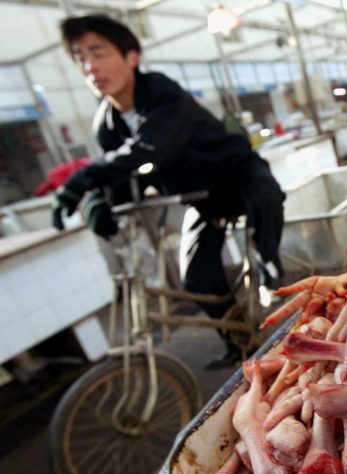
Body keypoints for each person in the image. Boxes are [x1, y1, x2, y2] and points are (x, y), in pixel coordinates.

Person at [52, 14, 286, 369]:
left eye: (98, 53)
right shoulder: (107, 125)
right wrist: (100, 200)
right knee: (197, 279)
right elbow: (124, 174)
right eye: (80, 58)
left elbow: (148, 151)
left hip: (235, 174)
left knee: (266, 199)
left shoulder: (162, 93)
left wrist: (80, 182)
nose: (90, 67)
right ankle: (238, 340)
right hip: (201, 199)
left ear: (131, 56)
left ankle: (270, 267)